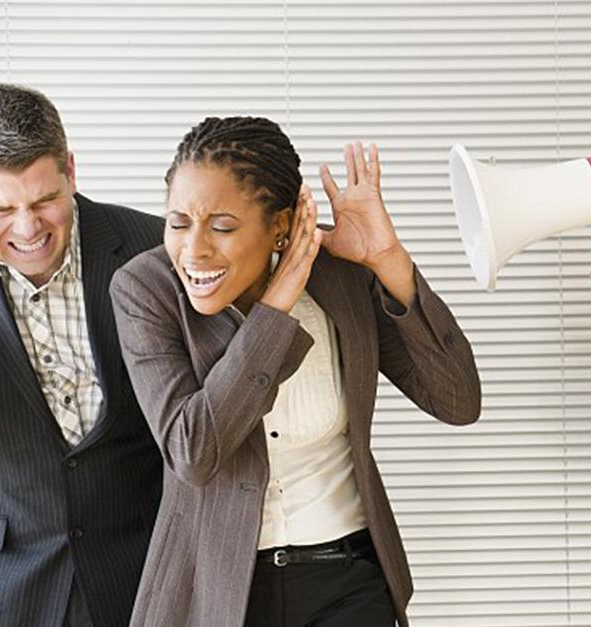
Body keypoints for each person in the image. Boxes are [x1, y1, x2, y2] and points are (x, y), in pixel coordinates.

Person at [109, 116, 481, 627]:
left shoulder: (340, 275)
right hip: (216, 594)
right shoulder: (146, 290)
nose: (193, 249)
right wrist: (276, 308)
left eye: (222, 226)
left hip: (348, 582)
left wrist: (387, 260)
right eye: (178, 222)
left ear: (280, 226)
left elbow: (457, 400)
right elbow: (194, 452)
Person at [0, 83, 164, 626]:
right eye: (0, 209)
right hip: (1, 586)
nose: (29, 228)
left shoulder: (156, 248)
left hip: (141, 576)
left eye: (44, 200)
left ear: (72, 170)